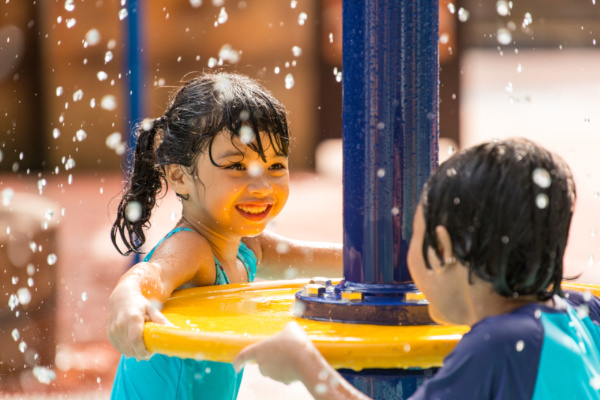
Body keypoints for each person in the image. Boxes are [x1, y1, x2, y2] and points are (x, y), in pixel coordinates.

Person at [233, 138, 600, 400]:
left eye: (414, 237)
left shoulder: (499, 345)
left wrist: (305, 364)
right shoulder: (582, 315)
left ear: (440, 249)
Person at [107, 72, 342, 400]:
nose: (262, 187)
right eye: (236, 167)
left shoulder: (247, 247)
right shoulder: (192, 247)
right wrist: (127, 300)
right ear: (179, 176)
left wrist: (391, 260)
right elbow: (149, 275)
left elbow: (338, 261)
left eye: (275, 166)